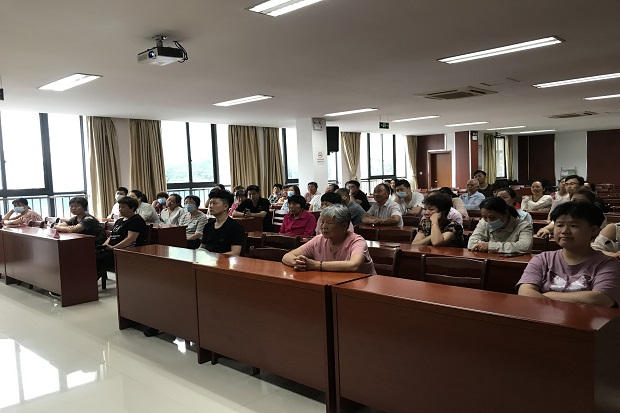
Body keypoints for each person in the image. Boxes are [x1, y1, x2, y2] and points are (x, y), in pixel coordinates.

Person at [517, 202, 620, 308]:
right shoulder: (542, 259)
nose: (565, 231)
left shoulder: (609, 265)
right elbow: (525, 292)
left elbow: (601, 299)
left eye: (574, 226)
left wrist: (548, 295)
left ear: (594, 230)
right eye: (560, 225)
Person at [282, 204, 376, 275]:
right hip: (332, 282)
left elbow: (354, 265)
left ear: (344, 226)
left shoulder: (357, 241)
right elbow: (287, 256)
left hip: (362, 286)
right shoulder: (319, 239)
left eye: (329, 223)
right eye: (322, 222)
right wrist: (299, 263)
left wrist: (315, 265)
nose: (324, 227)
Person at [96, 196, 149, 278]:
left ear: (132, 208)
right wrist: (104, 245)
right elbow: (111, 236)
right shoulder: (119, 221)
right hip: (112, 248)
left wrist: (114, 248)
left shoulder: (136, 220)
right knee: (90, 255)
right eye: (119, 207)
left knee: (98, 259)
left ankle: (91, 279)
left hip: (125, 250)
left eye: (123, 207)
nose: (120, 209)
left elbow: (131, 239)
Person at [467, 197, 533, 253]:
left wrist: (490, 246)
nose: (488, 221)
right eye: (484, 217)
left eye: (493, 217)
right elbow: (471, 243)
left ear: (505, 214)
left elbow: (525, 247)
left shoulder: (523, 226)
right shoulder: (483, 222)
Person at [199, 189, 245, 255]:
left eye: (214, 203)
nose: (210, 206)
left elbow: (235, 252)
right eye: (210, 203)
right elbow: (202, 248)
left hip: (225, 260)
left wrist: (215, 258)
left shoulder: (236, 227)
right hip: (208, 259)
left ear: (225, 206)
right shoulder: (208, 226)